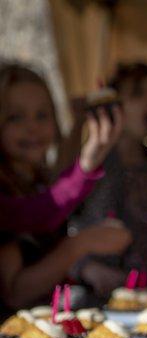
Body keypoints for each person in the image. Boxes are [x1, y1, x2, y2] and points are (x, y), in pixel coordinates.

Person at [0, 64, 130, 314]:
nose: (32, 127)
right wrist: (80, 245)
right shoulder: (6, 191)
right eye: (15, 117)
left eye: (42, 115)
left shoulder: (35, 180)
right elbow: (15, 293)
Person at [69, 62, 147, 296]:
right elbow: (56, 226)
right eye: (138, 94)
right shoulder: (93, 163)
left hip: (138, 293)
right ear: (115, 106)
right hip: (87, 288)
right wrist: (84, 268)